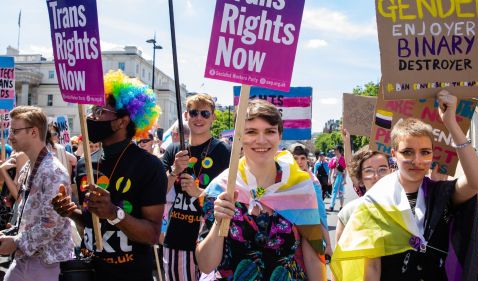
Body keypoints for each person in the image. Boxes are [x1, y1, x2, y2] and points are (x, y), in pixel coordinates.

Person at [331, 91, 478, 281]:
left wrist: (451, 123)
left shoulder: (441, 194)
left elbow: (476, 181)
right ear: (394, 154)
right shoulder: (376, 202)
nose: (417, 160)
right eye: (408, 152)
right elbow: (371, 267)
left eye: (425, 152)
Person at [52, 70, 166, 281]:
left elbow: (151, 234)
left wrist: (114, 212)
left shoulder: (149, 166)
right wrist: (72, 213)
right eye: (93, 110)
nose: (92, 116)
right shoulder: (85, 163)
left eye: (99, 110)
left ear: (121, 121)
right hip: (91, 272)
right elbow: (92, 222)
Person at [196, 100, 326, 280]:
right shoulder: (222, 188)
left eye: (270, 131)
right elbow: (206, 264)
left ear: (280, 135)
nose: (261, 140)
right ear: (239, 137)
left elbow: (313, 258)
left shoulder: (301, 187)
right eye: (251, 132)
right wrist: (218, 223)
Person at [160, 93, 230, 281]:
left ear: (213, 117)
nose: (199, 118)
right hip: (178, 239)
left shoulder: (224, 152)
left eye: (205, 114)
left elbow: (231, 198)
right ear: (186, 115)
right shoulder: (173, 150)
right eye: (194, 113)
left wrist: (198, 193)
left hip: (212, 239)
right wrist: (174, 171)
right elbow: (157, 194)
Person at [0, 106, 73, 281]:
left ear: (34, 132)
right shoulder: (27, 167)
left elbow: (51, 225)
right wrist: (11, 235)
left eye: (15, 131)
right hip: (25, 259)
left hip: (46, 264)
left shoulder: (53, 172)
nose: (10, 136)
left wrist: (15, 242)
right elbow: (30, 217)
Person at [335, 145, 390, 242]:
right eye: (369, 170)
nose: (376, 176)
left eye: (382, 169)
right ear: (360, 178)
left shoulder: (405, 208)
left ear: (391, 172)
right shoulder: (348, 213)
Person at [291, 145, 333, 259]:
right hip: (288, 231)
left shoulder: (313, 182)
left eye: (302, 158)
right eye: (295, 158)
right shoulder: (284, 177)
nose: (299, 162)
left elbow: (320, 214)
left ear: (307, 160)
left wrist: (328, 244)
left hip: (307, 231)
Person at [328, 145, 346, 212]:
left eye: (335, 150)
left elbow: (345, 170)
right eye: (334, 150)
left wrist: (344, 179)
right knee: (335, 191)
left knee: (340, 192)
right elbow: (330, 169)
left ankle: (340, 206)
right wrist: (329, 178)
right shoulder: (333, 159)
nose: (334, 151)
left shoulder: (343, 159)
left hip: (340, 176)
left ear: (338, 150)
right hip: (334, 176)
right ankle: (332, 205)